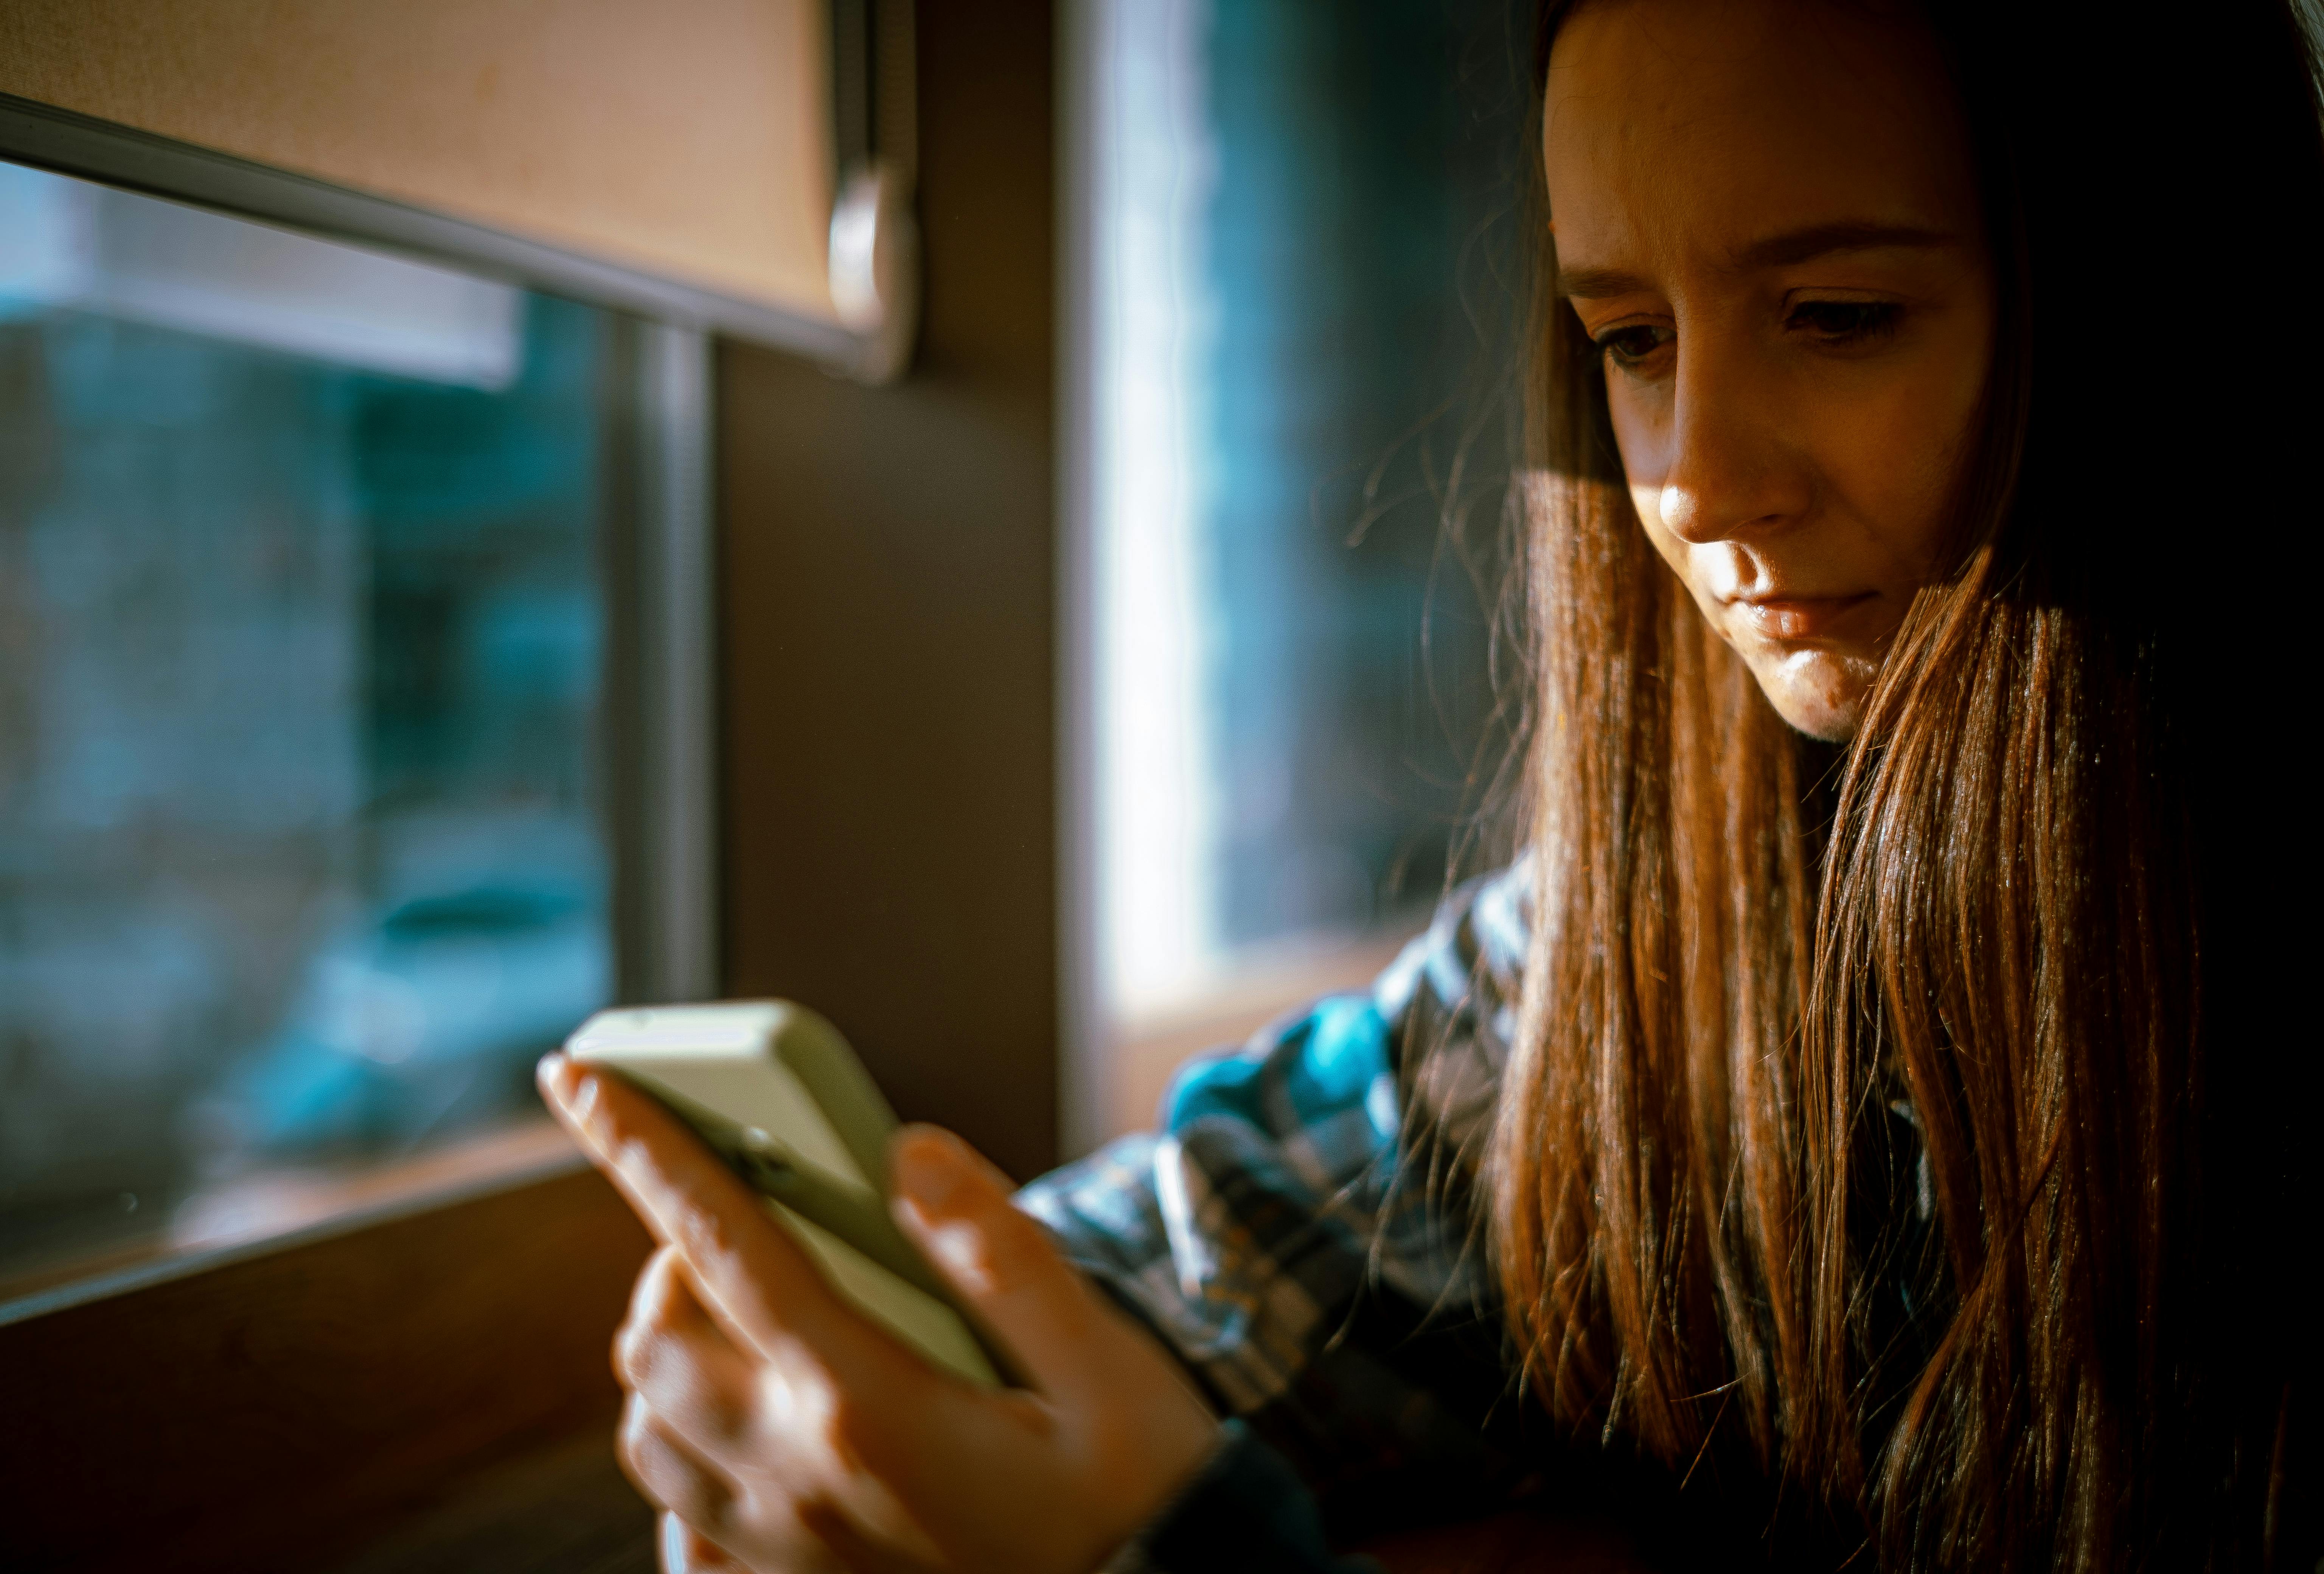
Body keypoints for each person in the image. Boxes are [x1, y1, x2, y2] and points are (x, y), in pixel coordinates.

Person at [537, 1, 2322, 1568]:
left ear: (2150, 306)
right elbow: (1176, 1260)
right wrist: (816, 1399)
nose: (1693, 477)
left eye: (1839, 313)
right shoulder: (1612, 974)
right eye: (1630, 340)